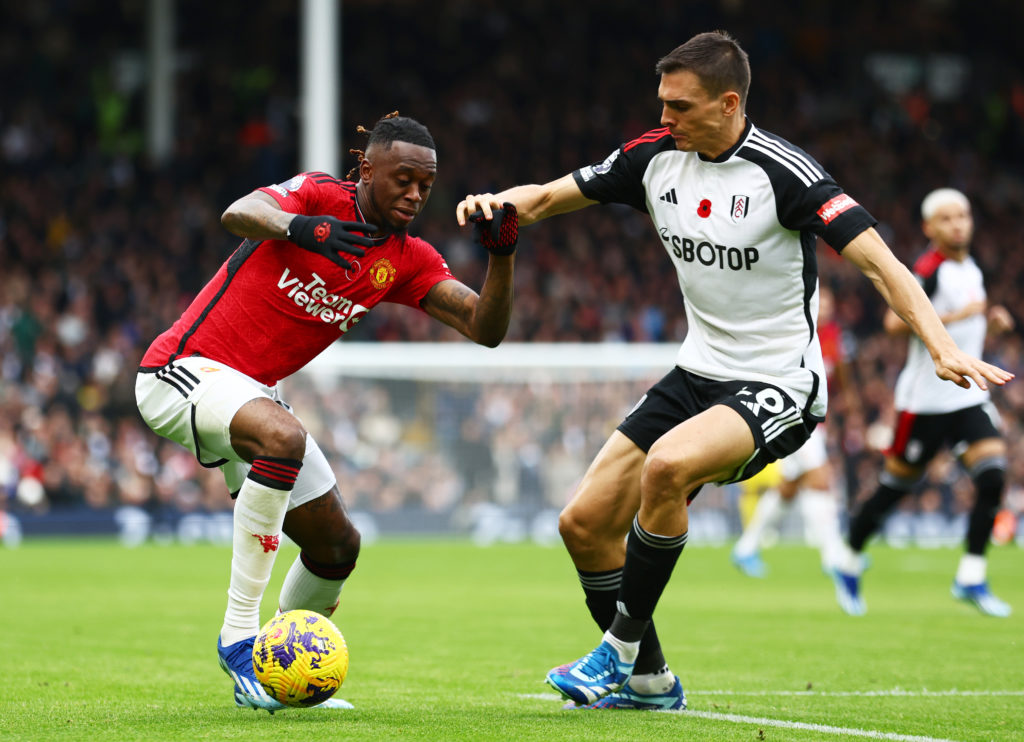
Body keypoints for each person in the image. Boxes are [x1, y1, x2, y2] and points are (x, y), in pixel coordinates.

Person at [456, 32, 1012, 711]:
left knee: (666, 467)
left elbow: (882, 264)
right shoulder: (653, 158)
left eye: (679, 108)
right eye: (661, 104)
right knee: (583, 524)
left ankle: (617, 652)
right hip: (697, 371)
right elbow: (542, 199)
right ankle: (651, 682)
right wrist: (493, 204)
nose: (664, 119)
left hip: (779, 382)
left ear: (727, 104)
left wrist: (940, 345)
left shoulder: (787, 174)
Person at [136, 114, 520, 712]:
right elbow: (238, 212)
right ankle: (240, 639)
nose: (416, 194)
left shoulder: (407, 257)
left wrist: (502, 258)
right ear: (366, 169)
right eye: (403, 179)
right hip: (179, 371)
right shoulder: (317, 195)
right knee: (283, 437)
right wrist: (301, 229)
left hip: (251, 394)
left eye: (426, 184)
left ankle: (278, 666)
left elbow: (484, 328)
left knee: (338, 547)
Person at [832, 187, 1015, 617]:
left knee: (992, 475)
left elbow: (966, 329)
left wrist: (992, 322)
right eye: (948, 219)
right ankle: (848, 559)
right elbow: (894, 323)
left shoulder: (971, 267)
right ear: (929, 228)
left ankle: (970, 576)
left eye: (963, 216)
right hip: (924, 403)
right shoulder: (928, 268)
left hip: (965, 399)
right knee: (896, 488)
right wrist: (962, 316)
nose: (959, 224)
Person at [731, 287, 853, 578]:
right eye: (821, 304)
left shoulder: (833, 337)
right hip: (791, 415)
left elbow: (837, 378)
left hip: (815, 420)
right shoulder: (796, 331)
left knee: (789, 488)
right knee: (820, 480)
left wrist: (845, 403)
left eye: (830, 304)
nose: (825, 309)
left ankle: (746, 548)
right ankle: (834, 555)